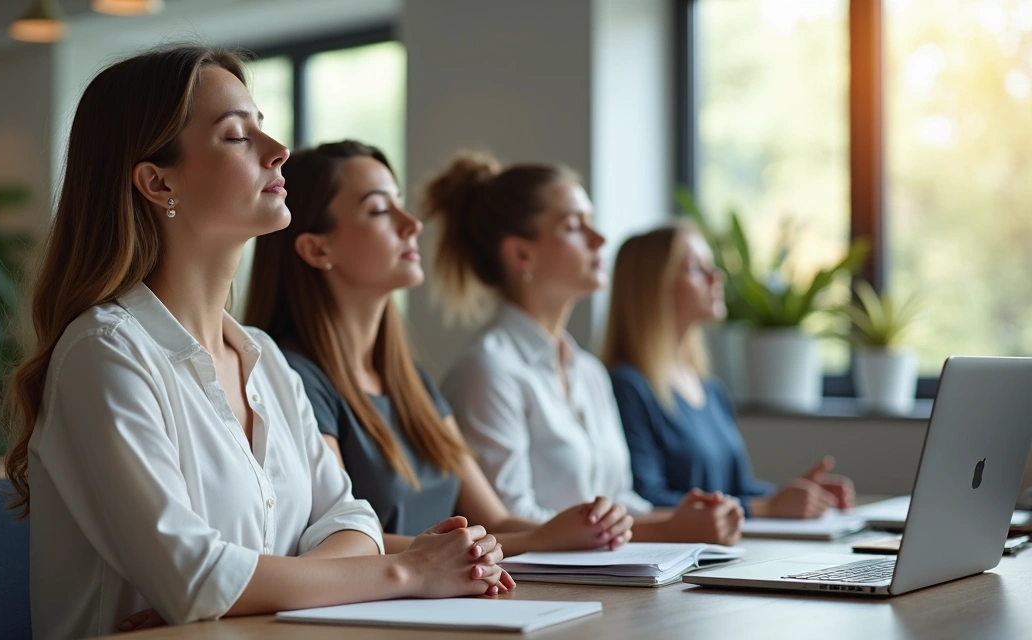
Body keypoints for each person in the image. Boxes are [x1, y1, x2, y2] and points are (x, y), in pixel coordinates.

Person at [2, 47, 508, 639]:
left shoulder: (264, 360)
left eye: (261, 126)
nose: (278, 150)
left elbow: (353, 523)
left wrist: (241, 593)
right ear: (158, 182)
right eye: (238, 135)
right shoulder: (104, 354)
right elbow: (198, 581)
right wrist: (408, 571)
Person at [244, 140, 633, 557]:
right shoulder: (296, 378)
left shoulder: (411, 382)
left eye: (400, 203)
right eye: (379, 210)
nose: (411, 224)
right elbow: (336, 536)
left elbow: (496, 521)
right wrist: (540, 539)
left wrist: (573, 528)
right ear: (317, 248)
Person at [424, 153, 743, 545]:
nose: (600, 239)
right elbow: (503, 523)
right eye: (575, 226)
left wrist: (691, 518)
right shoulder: (487, 369)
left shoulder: (589, 372)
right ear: (521, 254)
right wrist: (667, 529)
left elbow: (622, 500)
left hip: (608, 569)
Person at [602, 223, 856, 518]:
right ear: (652, 286)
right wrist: (766, 507)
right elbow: (646, 502)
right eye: (696, 269)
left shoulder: (711, 390)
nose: (716, 277)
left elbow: (738, 488)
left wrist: (800, 495)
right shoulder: (627, 387)